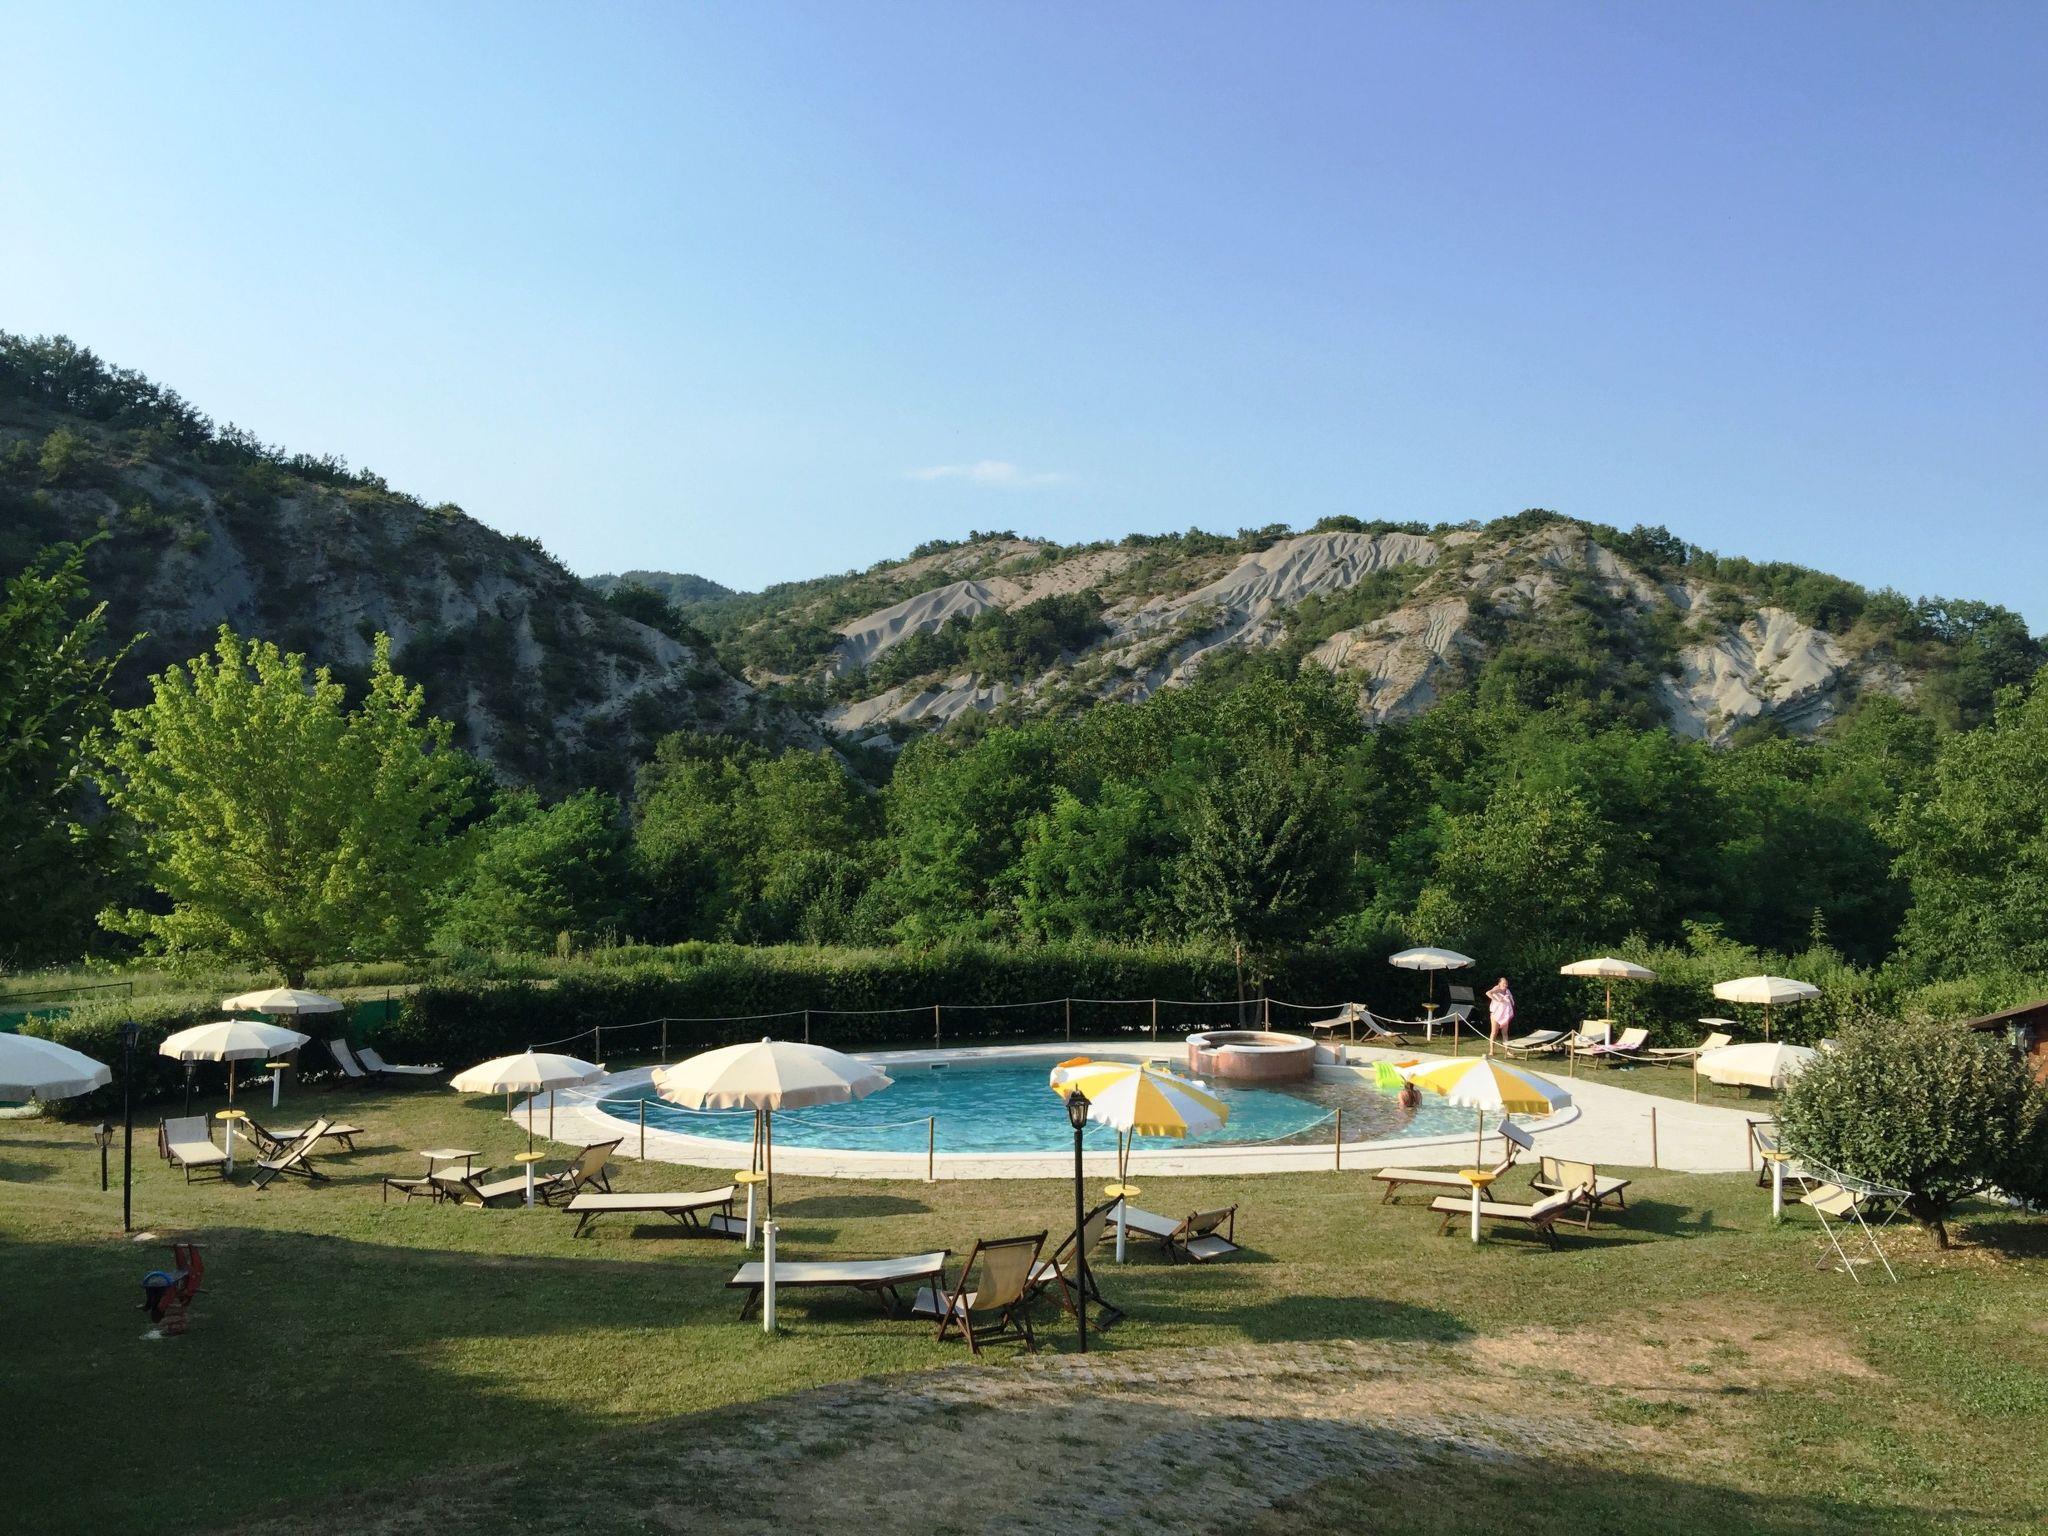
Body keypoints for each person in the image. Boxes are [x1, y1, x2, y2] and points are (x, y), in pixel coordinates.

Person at [1486, 976, 1515, 1054]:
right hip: (1495, 1014)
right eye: (1504, 983)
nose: (1505, 985)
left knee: (1505, 1033)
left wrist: (1508, 999)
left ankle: (1507, 1050)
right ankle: (1491, 1051)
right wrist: (1497, 999)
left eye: (1506, 983)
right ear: (1499, 983)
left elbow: (1511, 1001)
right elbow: (1488, 993)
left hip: (1504, 1014)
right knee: (1494, 1032)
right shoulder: (1496, 988)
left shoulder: (1507, 991)